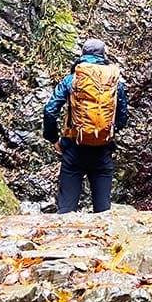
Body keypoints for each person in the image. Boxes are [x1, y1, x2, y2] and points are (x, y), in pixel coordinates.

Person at [42, 38, 129, 213]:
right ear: (103, 55)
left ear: (83, 55)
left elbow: (50, 111)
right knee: (103, 213)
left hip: (74, 149)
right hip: (102, 150)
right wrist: (107, 132)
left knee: (66, 212)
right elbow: (123, 116)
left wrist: (54, 139)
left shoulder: (72, 80)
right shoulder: (113, 83)